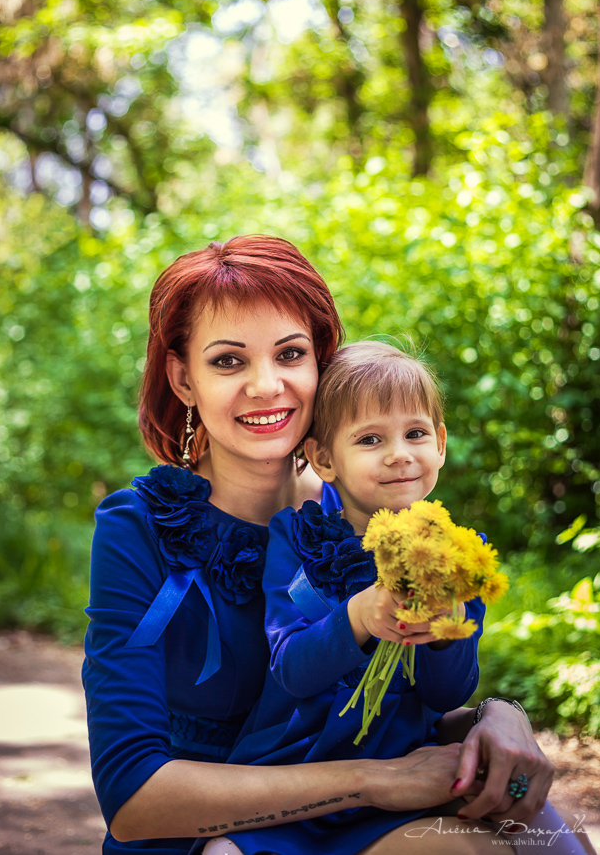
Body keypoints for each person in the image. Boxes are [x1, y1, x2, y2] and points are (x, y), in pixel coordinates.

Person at [82, 236, 559, 855]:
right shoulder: (140, 529)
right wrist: (374, 781)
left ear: (321, 366)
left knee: (544, 832)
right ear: (183, 379)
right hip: (202, 836)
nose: (265, 384)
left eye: (290, 353)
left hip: (355, 820)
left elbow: (395, 700)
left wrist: (497, 714)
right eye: (228, 361)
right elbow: (131, 799)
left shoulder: (372, 507)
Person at [220, 342, 593, 855]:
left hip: (407, 780)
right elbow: (292, 669)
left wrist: (445, 632)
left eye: (415, 433)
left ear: (440, 443)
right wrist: (359, 615)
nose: (399, 453)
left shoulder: (456, 556)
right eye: (371, 438)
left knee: (554, 842)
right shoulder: (297, 539)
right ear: (323, 458)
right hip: (296, 779)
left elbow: (446, 695)